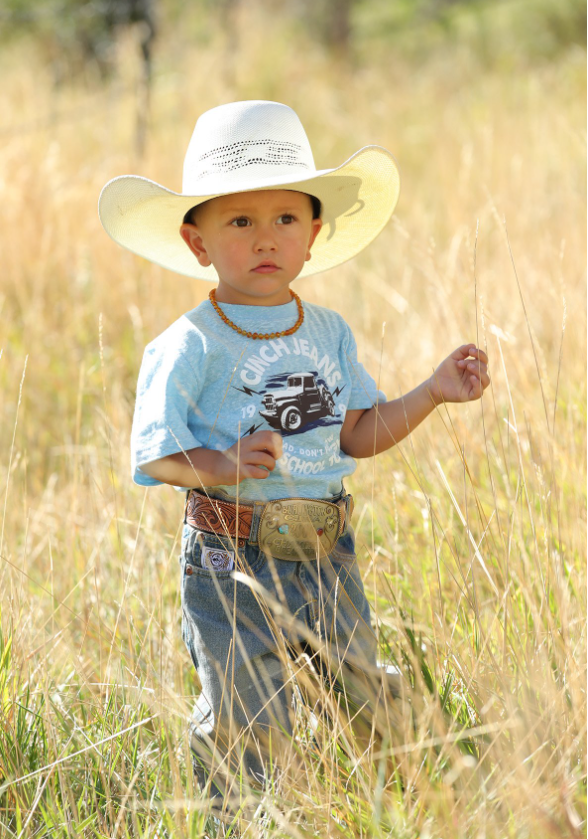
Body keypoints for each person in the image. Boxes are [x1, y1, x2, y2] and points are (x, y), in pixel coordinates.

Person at [98, 100, 490, 818]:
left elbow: (357, 434)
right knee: (250, 710)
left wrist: (431, 393)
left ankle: (395, 805)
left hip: (326, 546)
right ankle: (235, 822)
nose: (264, 238)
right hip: (230, 554)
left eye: (284, 218)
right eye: (239, 221)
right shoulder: (190, 342)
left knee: (362, 688)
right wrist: (221, 461)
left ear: (313, 234)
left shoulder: (329, 331)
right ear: (198, 242)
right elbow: (156, 452)